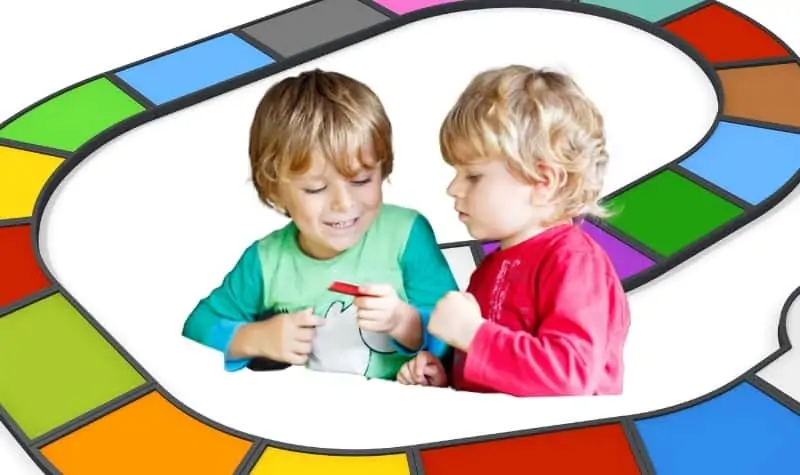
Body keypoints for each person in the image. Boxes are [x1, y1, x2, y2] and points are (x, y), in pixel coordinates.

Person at [181, 69, 457, 381]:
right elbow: (197, 328)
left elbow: (456, 328)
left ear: (383, 168)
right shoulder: (266, 260)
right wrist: (255, 338)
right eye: (315, 188)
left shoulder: (406, 234)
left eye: (362, 180)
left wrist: (406, 323)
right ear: (274, 189)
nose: (343, 203)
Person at [397, 65, 631, 397]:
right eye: (456, 173)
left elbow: (570, 379)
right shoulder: (491, 268)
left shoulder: (575, 263)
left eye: (473, 176)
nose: (453, 188)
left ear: (544, 182)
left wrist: (472, 334)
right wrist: (444, 374)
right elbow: (501, 374)